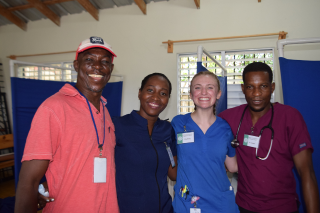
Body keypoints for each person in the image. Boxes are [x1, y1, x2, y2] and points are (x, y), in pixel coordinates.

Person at [15, 37, 120, 213]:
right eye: (89, 60)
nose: (97, 66)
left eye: (104, 62)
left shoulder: (105, 111)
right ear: (76, 65)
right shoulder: (53, 108)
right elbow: (29, 181)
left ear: (111, 69)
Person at [219, 62, 320, 213]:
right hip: (244, 206)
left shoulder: (289, 117)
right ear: (243, 89)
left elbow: (306, 172)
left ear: (272, 88)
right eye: (250, 87)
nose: (256, 93)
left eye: (263, 86)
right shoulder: (229, 117)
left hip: (282, 207)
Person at [171, 71, 238, 213]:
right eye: (197, 87)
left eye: (210, 87)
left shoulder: (225, 128)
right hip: (188, 202)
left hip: (220, 202)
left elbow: (232, 167)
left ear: (219, 93)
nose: (203, 92)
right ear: (190, 94)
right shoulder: (178, 123)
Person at [113, 73, 177, 213]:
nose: (156, 97)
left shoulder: (167, 130)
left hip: (165, 209)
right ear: (140, 93)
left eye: (163, 93)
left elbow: (174, 173)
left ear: (167, 99)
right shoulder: (117, 126)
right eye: (150, 90)